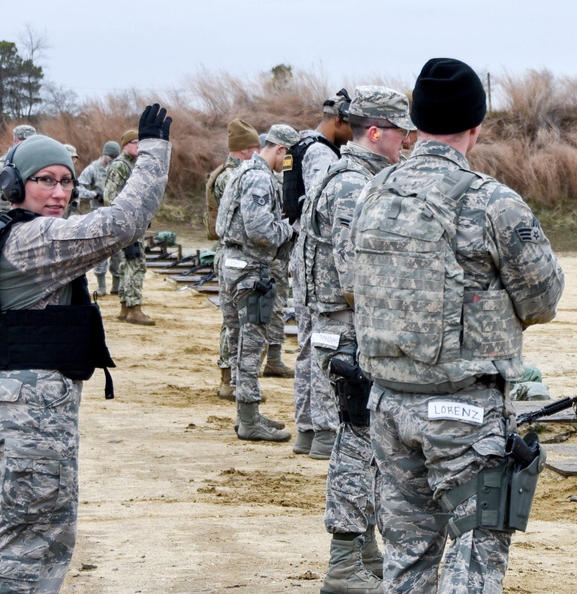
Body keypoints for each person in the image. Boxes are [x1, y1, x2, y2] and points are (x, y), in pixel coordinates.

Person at [348, 58, 565, 593]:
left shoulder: (373, 193)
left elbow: (352, 282)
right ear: (476, 126)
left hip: (387, 404)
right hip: (461, 410)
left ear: (416, 123)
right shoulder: (491, 202)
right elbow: (543, 298)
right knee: (475, 552)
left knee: (406, 557)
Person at [0, 104, 171, 594]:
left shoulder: (14, 232)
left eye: (66, 181)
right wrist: (154, 153)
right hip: (29, 411)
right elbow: (123, 222)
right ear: (17, 187)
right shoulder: (33, 238)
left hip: (24, 403)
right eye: (44, 180)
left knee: (41, 531)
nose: (59, 192)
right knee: (34, 537)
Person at [304, 85, 414, 594]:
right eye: (400, 133)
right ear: (376, 132)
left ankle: (363, 551)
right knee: (357, 445)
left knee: (364, 444)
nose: (406, 144)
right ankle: (344, 565)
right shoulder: (352, 186)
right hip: (351, 334)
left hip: (340, 330)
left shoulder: (340, 175)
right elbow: (355, 278)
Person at [215, 124, 301, 442]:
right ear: (280, 150)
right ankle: (249, 420)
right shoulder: (260, 177)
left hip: (232, 262)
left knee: (240, 342)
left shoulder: (242, 170)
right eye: (288, 158)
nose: (288, 165)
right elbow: (261, 231)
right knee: (251, 345)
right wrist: (289, 228)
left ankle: (246, 414)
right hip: (250, 269)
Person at [287, 89, 353, 458]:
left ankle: (309, 430)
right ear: (338, 120)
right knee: (320, 344)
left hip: (307, 257)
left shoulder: (303, 146)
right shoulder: (319, 153)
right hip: (315, 260)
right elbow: (322, 210)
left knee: (311, 344)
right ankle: (321, 431)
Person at [206, 118, 264, 400]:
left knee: (237, 320)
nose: (257, 154)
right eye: (254, 148)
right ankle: (228, 378)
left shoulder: (234, 172)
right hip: (234, 255)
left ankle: (234, 378)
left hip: (232, 255)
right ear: (242, 150)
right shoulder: (232, 176)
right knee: (234, 321)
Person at [105, 129, 155, 326]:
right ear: (125, 144)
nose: (139, 146)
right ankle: (134, 308)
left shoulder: (132, 165)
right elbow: (109, 196)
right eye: (135, 143)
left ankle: (126, 306)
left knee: (129, 263)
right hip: (127, 223)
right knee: (136, 264)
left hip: (134, 223)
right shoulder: (120, 166)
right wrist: (128, 217)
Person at [76, 141, 122, 293]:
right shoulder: (93, 169)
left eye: (115, 158)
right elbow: (78, 187)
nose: (112, 160)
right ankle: (101, 286)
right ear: (104, 154)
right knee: (101, 251)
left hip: (116, 214)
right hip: (99, 215)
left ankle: (116, 286)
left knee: (118, 252)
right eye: (110, 157)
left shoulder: (119, 168)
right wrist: (94, 194)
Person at [0, 124, 37, 211]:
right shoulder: (2, 166)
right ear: (16, 142)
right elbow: (5, 205)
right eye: (23, 142)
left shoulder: (40, 161)